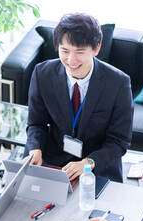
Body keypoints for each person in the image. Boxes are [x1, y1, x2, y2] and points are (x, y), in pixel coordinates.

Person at [25, 13, 133, 182]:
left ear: (96, 48)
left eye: (80, 52)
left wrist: (87, 163)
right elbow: (36, 124)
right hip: (55, 161)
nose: (71, 60)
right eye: (65, 51)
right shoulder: (42, 73)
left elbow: (119, 142)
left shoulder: (119, 83)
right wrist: (35, 148)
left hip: (98, 166)